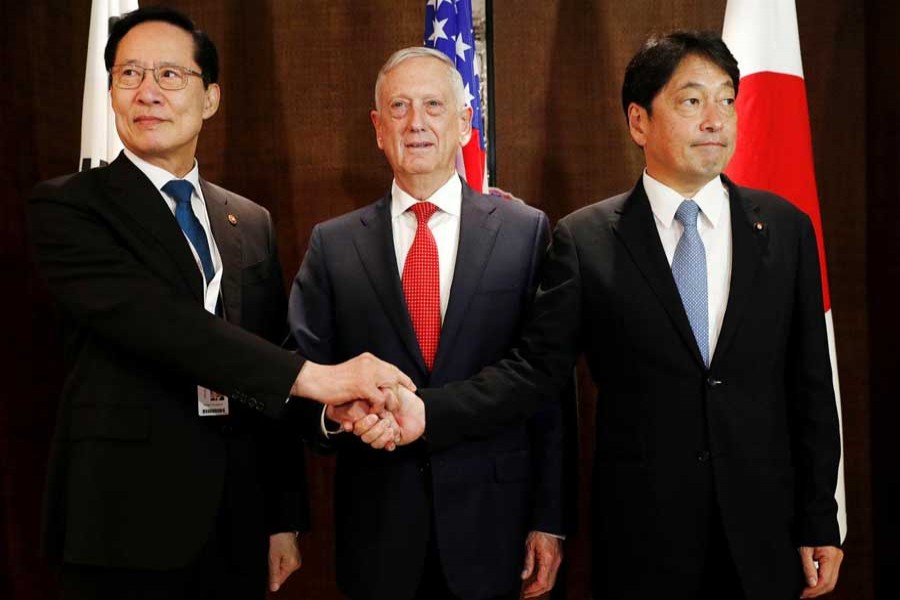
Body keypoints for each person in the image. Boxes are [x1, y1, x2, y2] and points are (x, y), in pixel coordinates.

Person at [376, 31, 844, 600]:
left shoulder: (786, 229)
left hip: (766, 533)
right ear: (639, 121)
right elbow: (533, 374)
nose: (716, 120)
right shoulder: (586, 239)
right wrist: (429, 411)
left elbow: (812, 388)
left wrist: (822, 517)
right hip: (644, 541)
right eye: (692, 101)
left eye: (726, 100)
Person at [27, 7, 411, 599]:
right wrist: (322, 379)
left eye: (168, 76)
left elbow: (266, 354)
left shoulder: (247, 220)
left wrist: (290, 498)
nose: (147, 92)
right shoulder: (70, 209)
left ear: (210, 98)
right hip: (121, 521)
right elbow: (164, 326)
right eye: (128, 75)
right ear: (110, 91)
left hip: (235, 518)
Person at [288, 47, 566, 600]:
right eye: (399, 107)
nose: (416, 123)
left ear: (464, 123)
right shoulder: (333, 244)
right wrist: (335, 416)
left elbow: (548, 386)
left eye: (434, 106)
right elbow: (298, 375)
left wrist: (549, 519)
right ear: (377, 128)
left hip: (495, 527)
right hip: (379, 532)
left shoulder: (524, 231)